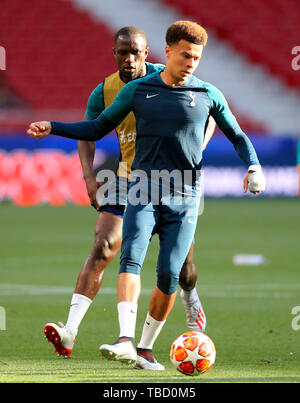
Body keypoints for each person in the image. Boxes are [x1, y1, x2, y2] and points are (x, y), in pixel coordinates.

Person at [27, 20, 266, 369]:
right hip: (140, 184)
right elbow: (96, 127)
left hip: (184, 192)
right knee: (125, 253)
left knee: (173, 272)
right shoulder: (136, 91)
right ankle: (122, 339)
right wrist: (53, 127)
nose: (191, 62)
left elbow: (236, 133)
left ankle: (151, 341)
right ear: (168, 51)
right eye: (185, 55)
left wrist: (253, 165)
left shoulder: (207, 93)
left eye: (197, 57)